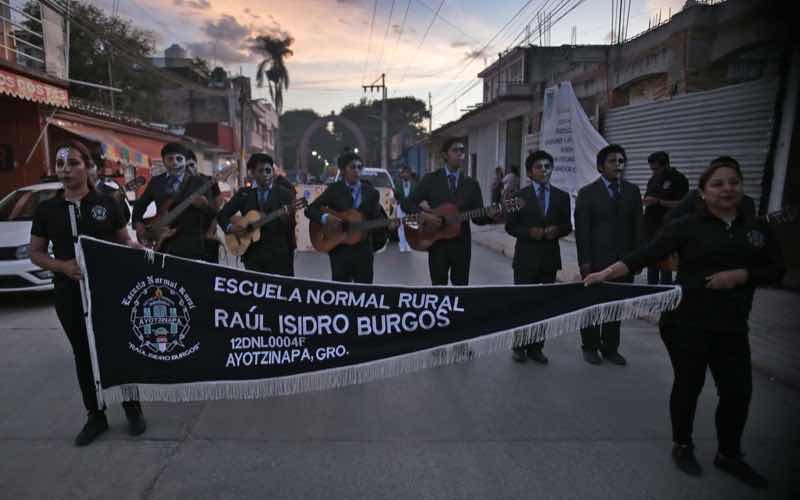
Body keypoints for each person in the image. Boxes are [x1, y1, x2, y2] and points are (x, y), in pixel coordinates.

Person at [583, 157, 783, 489]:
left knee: (738, 392)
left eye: (733, 182)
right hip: (686, 322)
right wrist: (606, 273)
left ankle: (729, 454)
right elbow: (645, 254)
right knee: (688, 385)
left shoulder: (756, 229)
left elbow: (776, 270)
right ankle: (683, 445)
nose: (727, 189)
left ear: (742, 187)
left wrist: (742, 275)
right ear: (703, 193)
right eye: (717, 184)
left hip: (733, 326)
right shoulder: (687, 226)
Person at [28, 141, 146, 446]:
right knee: (83, 355)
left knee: (118, 349)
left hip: (108, 290)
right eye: (60, 164)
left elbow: (124, 241)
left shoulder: (108, 203)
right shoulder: (47, 209)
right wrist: (62, 267)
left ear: (88, 166)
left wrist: (140, 251)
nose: (66, 170)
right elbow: (36, 253)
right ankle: (95, 416)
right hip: (68, 293)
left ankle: (132, 409)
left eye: (73, 163)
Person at [574, 144, 643, 365]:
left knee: (616, 306)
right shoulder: (587, 193)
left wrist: (637, 258)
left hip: (624, 261)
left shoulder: (632, 191)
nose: (618, 165)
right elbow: (582, 232)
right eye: (613, 161)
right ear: (600, 166)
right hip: (596, 260)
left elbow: (638, 227)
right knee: (593, 305)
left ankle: (611, 348)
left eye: (621, 161)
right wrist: (585, 262)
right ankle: (590, 346)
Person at [505, 150, 572, 364]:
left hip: (549, 259)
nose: (544, 170)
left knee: (543, 305)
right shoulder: (518, 197)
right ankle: (520, 346)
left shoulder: (562, 196)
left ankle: (537, 348)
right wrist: (529, 232)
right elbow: (510, 226)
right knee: (523, 304)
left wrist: (557, 230)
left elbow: (568, 226)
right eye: (538, 167)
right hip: (525, 259)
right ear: (529, 172)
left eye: (547, 166)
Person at [401, 137, 497, 286]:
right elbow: (407, 204)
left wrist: (491, 215)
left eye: (462, 151)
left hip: (462, 245)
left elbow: (478, 218)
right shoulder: (431, 180)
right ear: (445, 155)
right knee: (439, 289)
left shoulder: (471, 184)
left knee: (461, 289)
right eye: (455, 150)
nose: (460, 154)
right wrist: (425, 215)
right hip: (437, 243)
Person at [306, 151, 394, 283]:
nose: (357, 171)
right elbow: (311, 209)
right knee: (341, 293)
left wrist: (388, 225)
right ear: (342, 171)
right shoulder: (334, 190)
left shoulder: (371, 193)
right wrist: (325, 218)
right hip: (340, 250)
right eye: (352, 167)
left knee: (364, 293)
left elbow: (378, 219)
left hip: (363, 251)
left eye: (360, 167)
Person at [132, 143, 221, 260]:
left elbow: (213, 213)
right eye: (170, 159)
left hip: (193, 245)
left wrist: (204, 206)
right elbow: (140, 205)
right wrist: (139, 225)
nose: (175, 162)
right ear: (163, 161)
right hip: (163, 243)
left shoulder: (200, 183)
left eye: (179, 159)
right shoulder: (156, 182)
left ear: (185, 161)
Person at [217, 153, 295, 275]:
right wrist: (231, 228)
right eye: (260, 171)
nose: (265, 174)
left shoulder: (285, 194)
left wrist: (285, 218)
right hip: (252, 255)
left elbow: (291, 225)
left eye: (268, 170)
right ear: (252, 173)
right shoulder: (244, 194)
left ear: (273, 171)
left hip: (279, 256)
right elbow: (222, 215)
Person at [642, 151, 689, 284]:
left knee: (665, 265)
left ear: (666, 164)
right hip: (651, 227)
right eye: (651, 169)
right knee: (651, 261)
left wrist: (659, 202)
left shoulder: (679, 179)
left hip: (668, 227)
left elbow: (683, 204)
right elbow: (648, 198)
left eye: (656, 168)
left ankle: (665, 293)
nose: (653, 171)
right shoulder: (653, 179)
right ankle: (651, 291)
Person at [393, 165, 416, 252]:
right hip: (401, 207)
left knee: (410, 227)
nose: (405, 175)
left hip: (411, 208)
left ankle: (409, 245)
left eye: (407, 173)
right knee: (401, 227)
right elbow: (396, 196)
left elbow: (416, 196)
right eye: (404, 173)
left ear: (410, 174)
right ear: (401, 175)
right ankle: (402, 245)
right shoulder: (398, 184)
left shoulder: (414, 184)